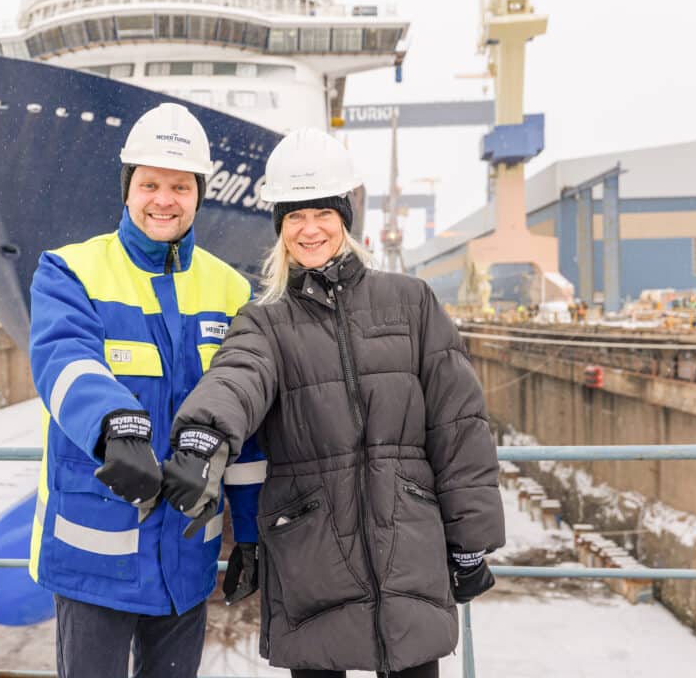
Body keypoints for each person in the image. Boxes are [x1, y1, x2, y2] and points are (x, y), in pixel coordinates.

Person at [163, 128, 506, 677]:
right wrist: (203, 434)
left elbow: (459, 424)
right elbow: (237, 375)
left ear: (345, 218)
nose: (309, 228)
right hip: (312, 551)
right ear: (280, 229)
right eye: (294, 216)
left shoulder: (410, 303)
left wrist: (471, 540)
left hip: (408, 545)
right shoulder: (265, 321)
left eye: (322, 212)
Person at [27, 102, 265, 678]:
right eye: (151, 183)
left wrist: (251, 535)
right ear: (127, 188)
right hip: (93, 557)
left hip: (185, 559)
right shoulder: (70, 270)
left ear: (199, 194)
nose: (165, 199)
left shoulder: (230, 288)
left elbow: (244, 417)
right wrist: (116, 426)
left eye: (180, 186)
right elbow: (64, 359)